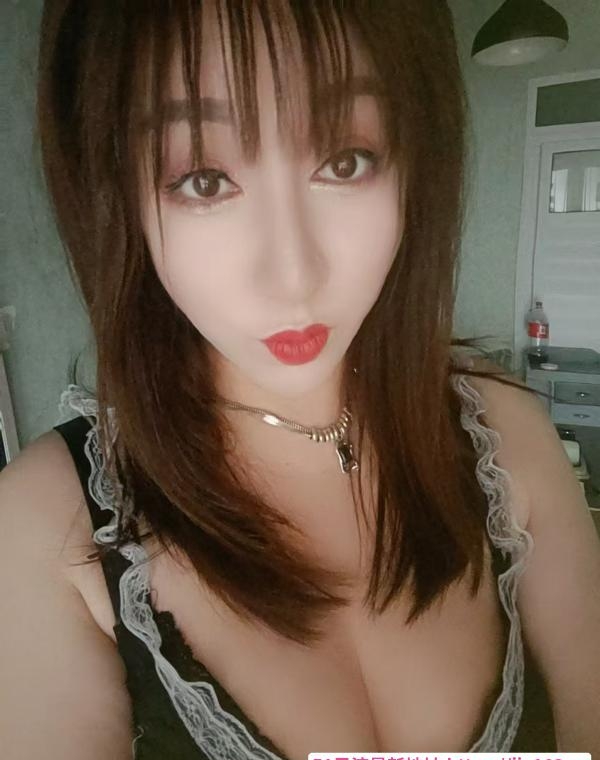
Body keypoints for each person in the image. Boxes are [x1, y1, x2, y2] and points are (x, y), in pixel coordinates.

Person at [1, 1, 599, 758]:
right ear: (118, 195)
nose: (293, 275)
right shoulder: (45, 528)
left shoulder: (505, 432)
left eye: (345, 161)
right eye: (204, 179)